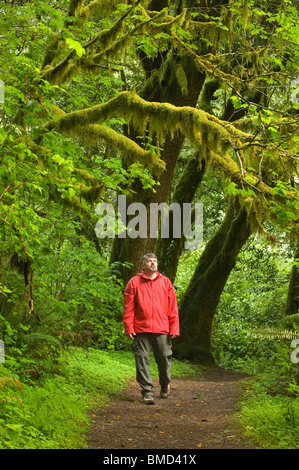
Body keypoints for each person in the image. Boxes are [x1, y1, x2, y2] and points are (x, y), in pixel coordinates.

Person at [123, 253, 180, 405]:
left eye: (155, 261)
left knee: (164, 359)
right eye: (149, 261)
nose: (153, 264)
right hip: (141, 329)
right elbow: (128, 307)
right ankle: (147, 392)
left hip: (162, 328)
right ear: (143, 265)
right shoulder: (134, 282)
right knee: (141, 359)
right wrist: (129, 327)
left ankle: (164, 384)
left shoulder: (165, 282)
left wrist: (174, 327)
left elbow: (173, 306)